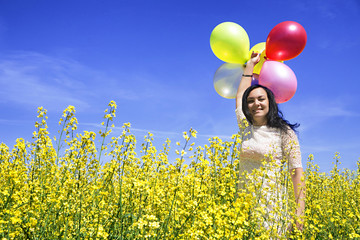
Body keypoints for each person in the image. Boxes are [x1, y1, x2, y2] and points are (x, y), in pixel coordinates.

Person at [235, 52, 305, 235]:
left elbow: (296, 172)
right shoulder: (245, 128)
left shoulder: (285, 133)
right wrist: (250, 65)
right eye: (250, 101)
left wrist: (299, 212)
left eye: (261, 99)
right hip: (242, 204)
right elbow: (240, 95)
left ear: (270, 102)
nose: (255, 104)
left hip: (270, 206)